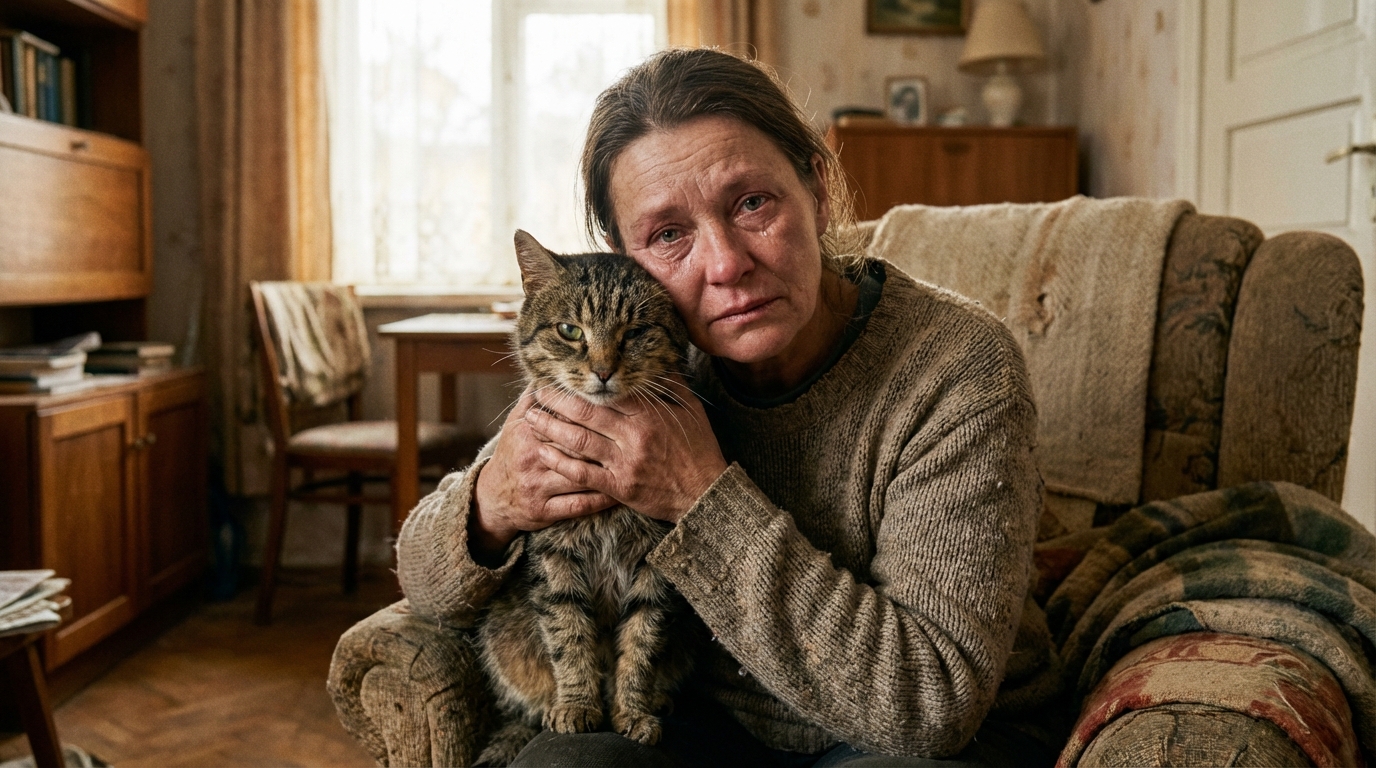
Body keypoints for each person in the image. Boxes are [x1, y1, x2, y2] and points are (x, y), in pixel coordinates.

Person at [396, 48, 1057, 767]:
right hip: (703, 721)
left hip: (914, 742)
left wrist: (698, 496)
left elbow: (929, 707)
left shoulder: (960, 366)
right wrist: (493, 501)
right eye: (668, 234)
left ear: (818, 190)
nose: (725, 264)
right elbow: (423, 579)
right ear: (626, 260)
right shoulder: (637, 360)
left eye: (752, 203)